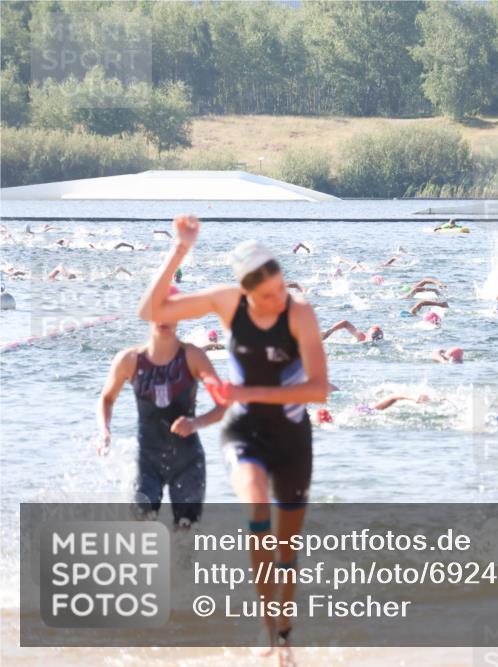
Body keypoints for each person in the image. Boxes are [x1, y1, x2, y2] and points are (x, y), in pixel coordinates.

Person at [138, 215, 328, 662]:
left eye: (281, 287)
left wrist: (248, 391)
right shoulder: (227, 304)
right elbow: (150, 312)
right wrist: (180, 250)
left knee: (287, 548)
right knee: (257, 509)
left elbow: (318, 388)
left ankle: (284, 633)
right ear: (245, 292)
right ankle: (271, 636)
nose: (279, 299)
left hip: (293, 438)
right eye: (267, 295)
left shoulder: (300, 314)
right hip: (245, 432)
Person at [97, 287, 226, 529]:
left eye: (172, 311)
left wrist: (196, 423)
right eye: (159, 310)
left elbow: (223, 404)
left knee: (185, 535)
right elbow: (106, 398)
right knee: (140, 528)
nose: (165, 319)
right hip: (148, 460)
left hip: (188, 461)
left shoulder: (193, 357)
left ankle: (181, 566)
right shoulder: (130, 359)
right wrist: (104, 430)